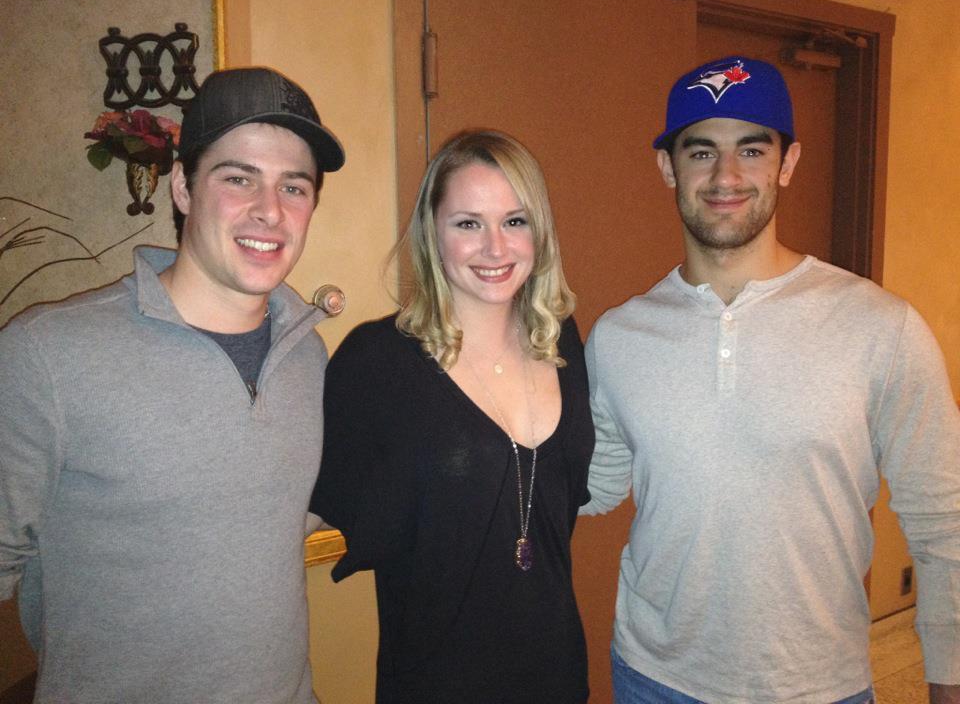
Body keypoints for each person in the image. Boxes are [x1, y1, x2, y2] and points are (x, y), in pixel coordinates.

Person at [581, 56, 960, 704]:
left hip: (820, 686)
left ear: (787, 162)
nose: (725, 176)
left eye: (751, 149)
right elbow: (591, 487)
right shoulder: (620, 337)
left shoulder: (881, 327)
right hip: (653, 677)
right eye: (700, 151)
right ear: (668, 167)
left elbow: (945, 523)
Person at [0, 67, 344, 703]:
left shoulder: (309, 354)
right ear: (183, 187)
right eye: (238, 178)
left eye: (293, 187)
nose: (269, 211)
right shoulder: (49, 353)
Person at [311, 130, 594, 703]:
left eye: (515, 221)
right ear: (432, 233)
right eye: (468, 223)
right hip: (436, 683)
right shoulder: (377, 363)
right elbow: (301, 512)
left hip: (557, 677)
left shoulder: (560, 342)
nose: (495, 248)